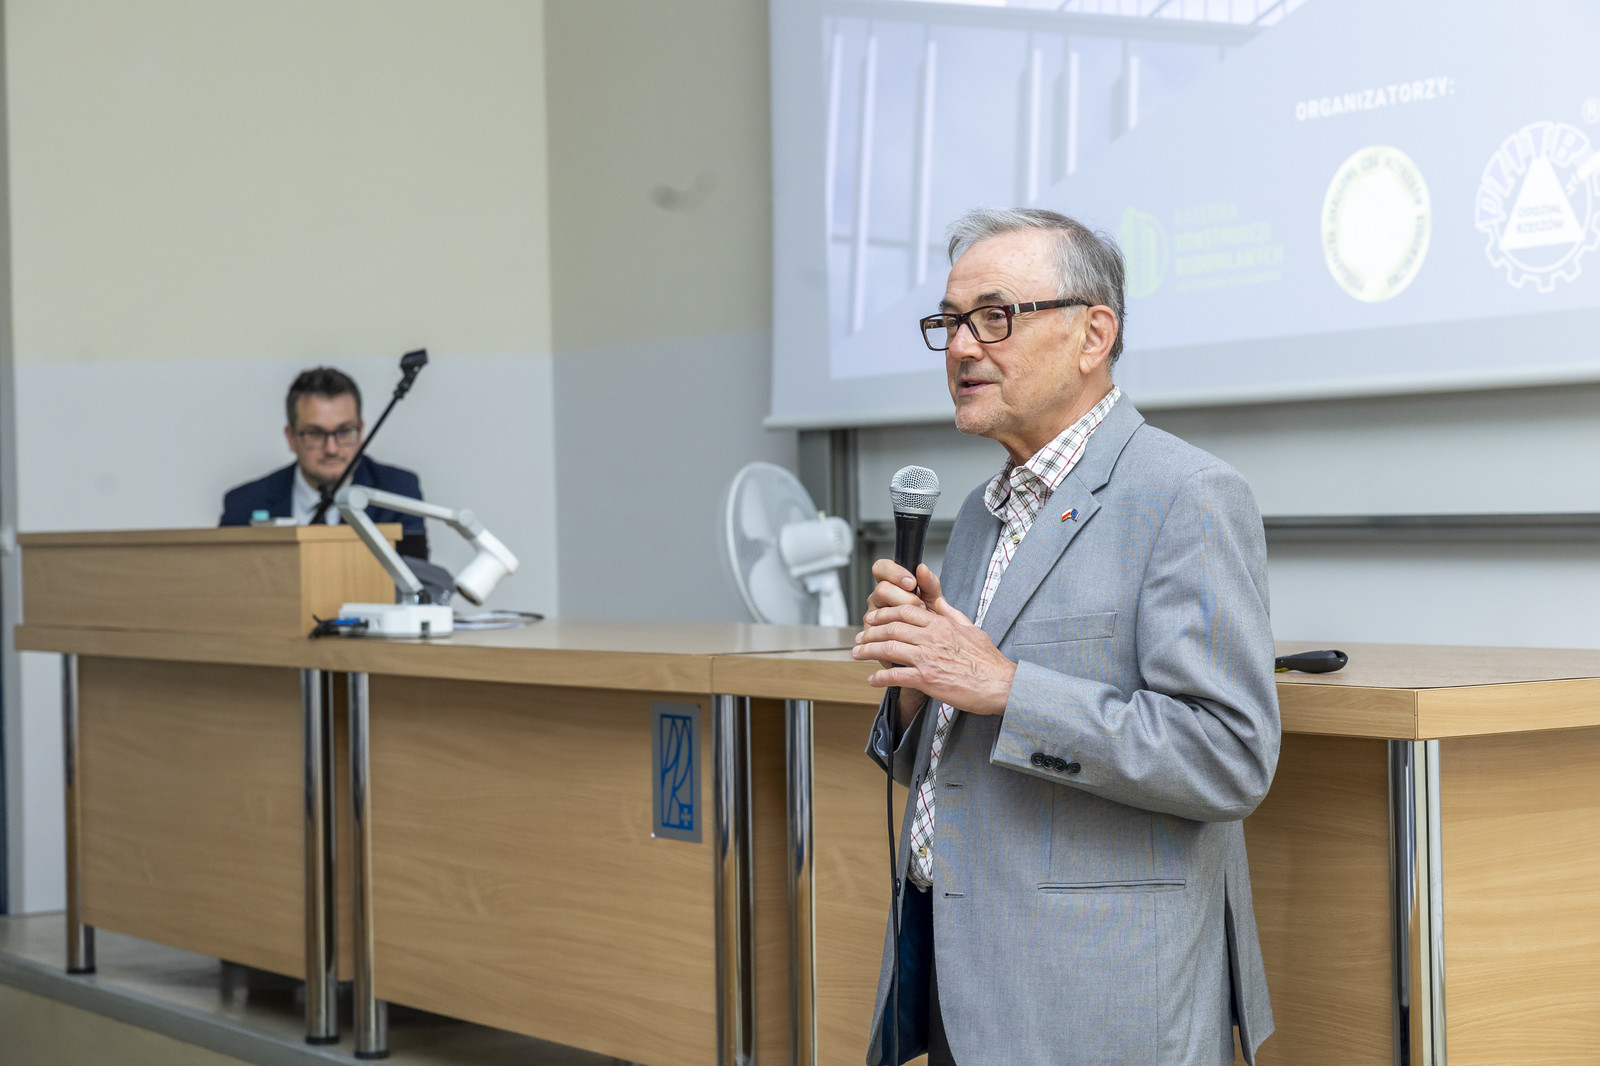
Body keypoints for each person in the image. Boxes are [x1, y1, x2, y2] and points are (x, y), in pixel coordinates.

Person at [851, 208, 1279, 1066]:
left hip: (1096, 992)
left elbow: (1229, 757)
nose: (961, 348)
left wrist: (1008, 687)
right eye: (949, 322)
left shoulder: (1187, 494)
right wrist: (918, 680)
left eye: (994, 317)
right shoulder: (980, 513)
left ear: (1094, 335)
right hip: (959, 972)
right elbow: (953, 753)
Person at [220, 367, 428, 557]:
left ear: (361, 432)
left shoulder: (398, 492)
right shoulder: (244, 504)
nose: (331, 449)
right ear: (291, 437)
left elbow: (417, 578)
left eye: (344, 432)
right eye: (315, 434)